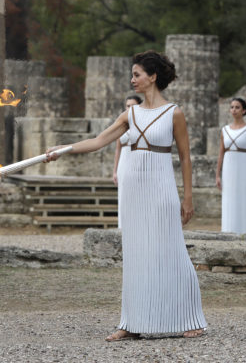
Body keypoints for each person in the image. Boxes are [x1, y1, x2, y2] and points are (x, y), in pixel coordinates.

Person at [45, 50, 207, 340]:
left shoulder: (174, 113)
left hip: (161, 188)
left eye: (137, 74)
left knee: (170, 251)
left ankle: (189, 318)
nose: (132, 80)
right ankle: (131, 322)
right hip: (134, 191)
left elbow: (185, 157)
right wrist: (62, 150)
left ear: (152, 76)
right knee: (136, 253)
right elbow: (97, 141)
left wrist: (188, 197)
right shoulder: (129, 113)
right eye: (132, 75)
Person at [215, 97, 246, 233]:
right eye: (232, 107)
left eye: (237, 107)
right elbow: (221, 153)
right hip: (228, 169)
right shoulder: (225, 130)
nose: (234, 110)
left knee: (245, 199)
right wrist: (217, 175)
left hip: (245, 168)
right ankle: (228, 230)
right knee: (229, 199)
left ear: (244, 110)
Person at [112, 95, 142, 228]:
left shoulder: (143, 122)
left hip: (137, 159)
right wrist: (114, 170)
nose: (130, 108)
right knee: (123, 195)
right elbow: (117, 149)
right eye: (128, 106)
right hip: (124, 159)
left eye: (133, 105)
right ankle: (122, 227)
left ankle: (137, 226)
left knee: (137, 194)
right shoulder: (122, 123)